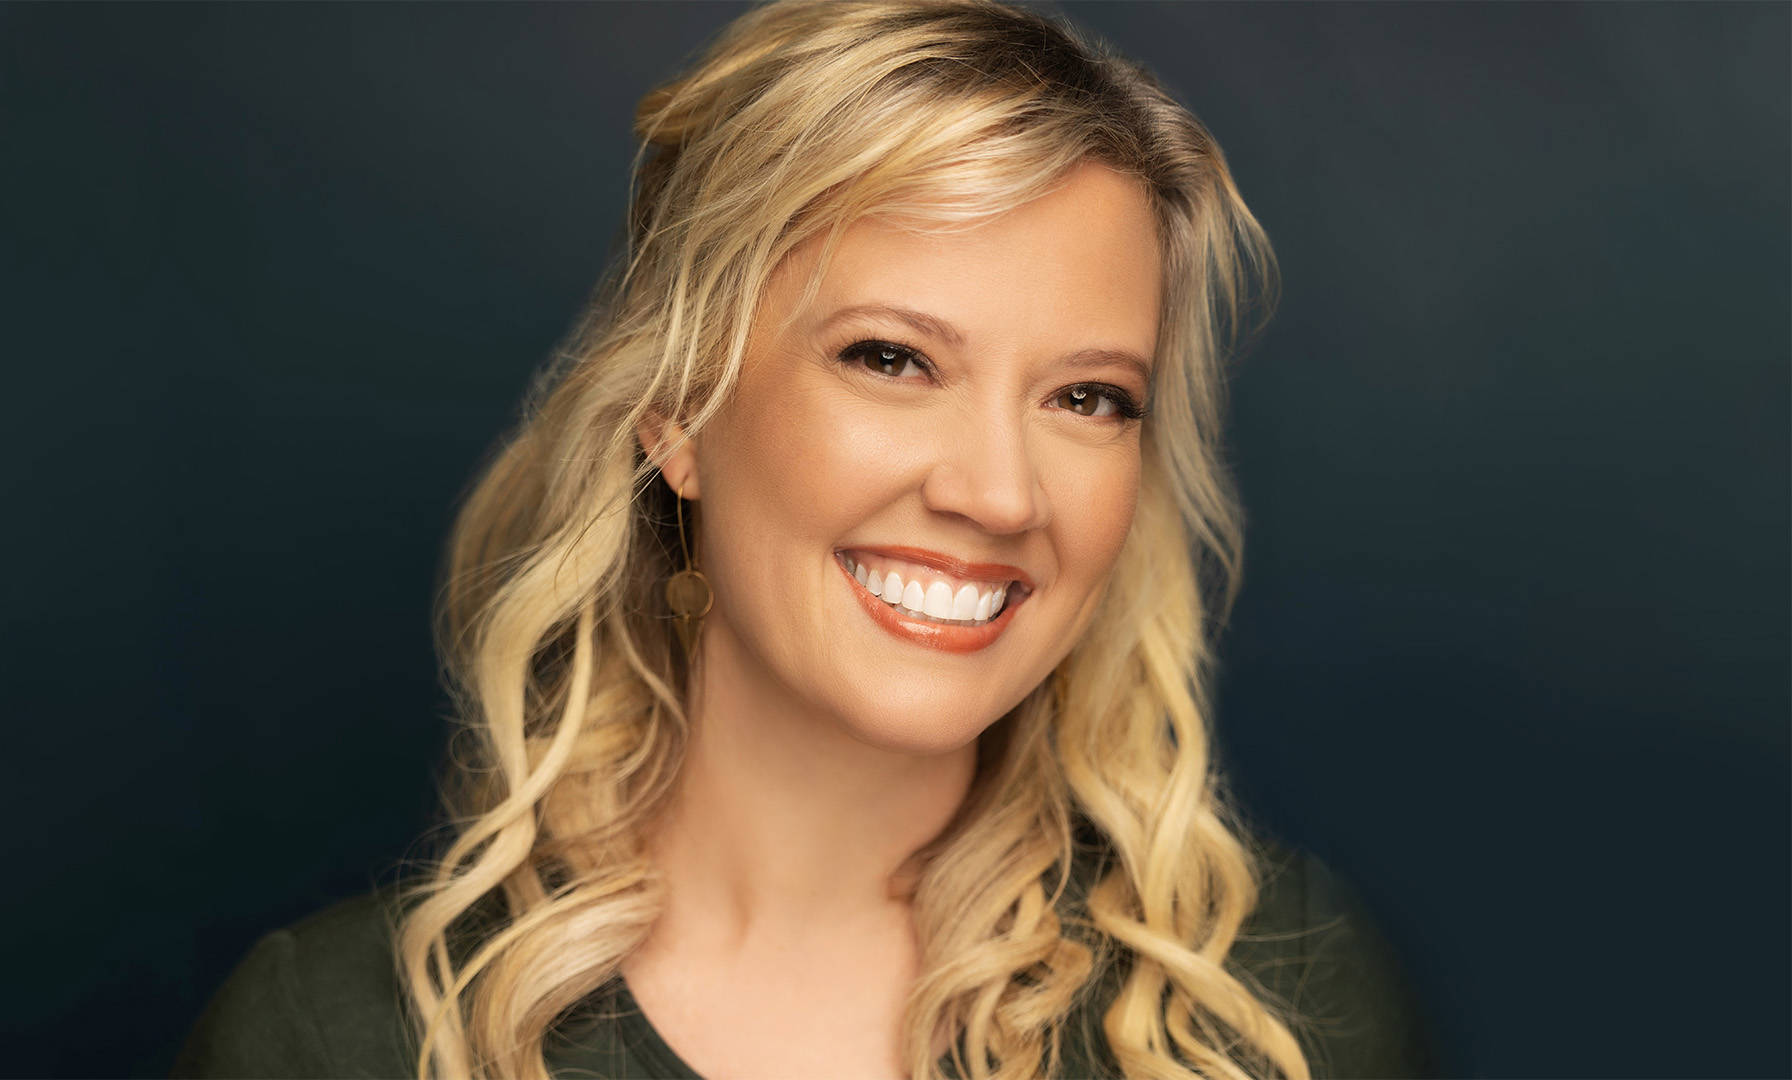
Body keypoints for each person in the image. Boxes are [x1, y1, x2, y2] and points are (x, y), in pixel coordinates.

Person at [170, 1, 1437, 1077]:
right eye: (890, 359)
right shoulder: (339, 1040)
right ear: (676, 413)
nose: (1001, 494)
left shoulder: (1272, 1009)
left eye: (1087, 397)